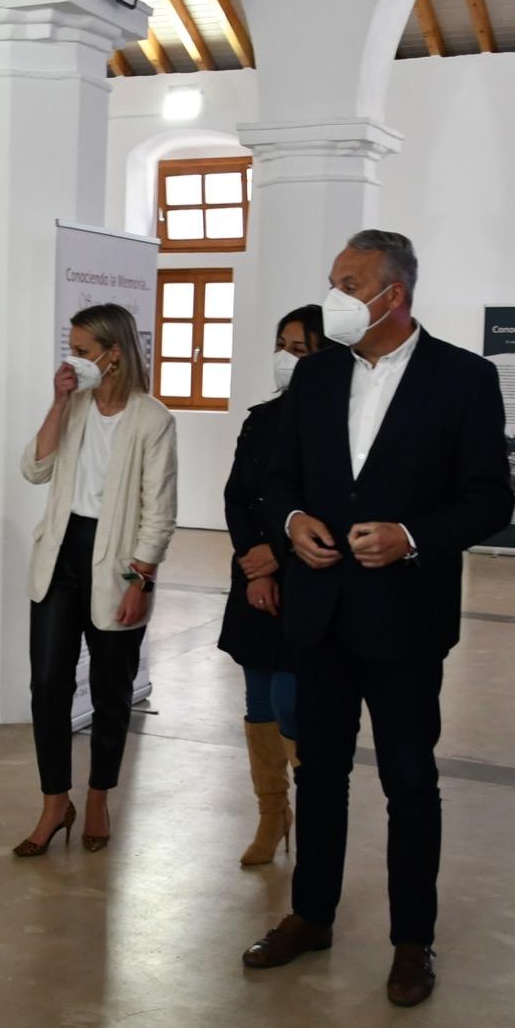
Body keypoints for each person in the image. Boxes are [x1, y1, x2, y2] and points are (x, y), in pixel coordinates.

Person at [241, 229, 513, 1007]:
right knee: (318, 772)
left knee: (408, 781)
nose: (337, 297)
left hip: (405, 617)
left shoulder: (464, 378)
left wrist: (412, 536)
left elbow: (490, 496)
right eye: (333, 280)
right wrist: (291, 520)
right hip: (321, 611)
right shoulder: (318, 377)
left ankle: (410, 940)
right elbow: (280, 476)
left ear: (396, 293)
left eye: (351, 283)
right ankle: (311, 914)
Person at [15, 303, 178, 857]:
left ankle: (100, 796)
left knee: (111, 692)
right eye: (72, 349)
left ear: (114, 354)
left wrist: (141, 580)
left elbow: (159, 511)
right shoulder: (77, 407)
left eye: (83, 351)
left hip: (118, 564)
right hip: (60, 556)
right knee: (47, 686)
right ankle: (55, 801)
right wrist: (59, 401)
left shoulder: (153, 419)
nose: (74, 359)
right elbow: (34, 468)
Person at [219, 304, 322, 868]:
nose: (286, 359)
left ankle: (314, 819)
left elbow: (323, 505)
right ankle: (270, 814)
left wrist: (277, 560)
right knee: (257, 694)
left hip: (301, 575)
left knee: (290, 699)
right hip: (253, 575)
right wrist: (251, 562)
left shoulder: (335, 425)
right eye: (281, 346)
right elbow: (237, 495)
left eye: (300, 349)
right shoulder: (261, 419)